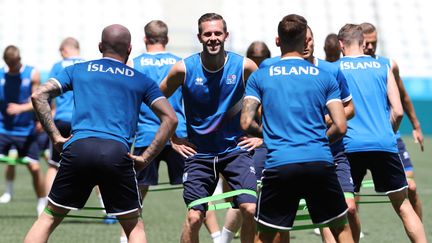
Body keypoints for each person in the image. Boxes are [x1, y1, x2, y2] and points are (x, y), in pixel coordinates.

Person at [23, 24, 178, 243]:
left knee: (48, 218)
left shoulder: (78, 69)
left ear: (100, 46)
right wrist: (145, 157)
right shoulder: (140, 80)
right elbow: (171, 118)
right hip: (117, 153)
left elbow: (39, 95)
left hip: (79, 148)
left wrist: (56, 137)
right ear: (130, 48)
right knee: (134, 227)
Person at [241, 14, 353, 243]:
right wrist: (320, 140)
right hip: (319, 161)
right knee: (340, 229)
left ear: (277, 41)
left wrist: (271, 138)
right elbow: (341, 125)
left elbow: (245, 123)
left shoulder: (260, 76)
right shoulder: (325, 76)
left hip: (280, 163)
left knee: (265, 235)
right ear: (305, 41)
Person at [159, 13, 259, 243]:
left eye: (217, 33)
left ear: (226, 35)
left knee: (250, 209)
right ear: (199, 37)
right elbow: (156, 99)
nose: (213, 38)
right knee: (194, 218)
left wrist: (261, 137)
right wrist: (173, 137)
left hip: (236, 151)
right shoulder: (183, 69)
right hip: (199, 153)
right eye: (208, 34)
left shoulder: (244, 66)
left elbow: (272, 100)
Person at [336, 23, 427, 242]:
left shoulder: (333, 68)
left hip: (350, 146)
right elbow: (398, 112)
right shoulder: (383, 66)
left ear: (341, 44)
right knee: (403, 205)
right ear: (362, 42)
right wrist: (386, 132)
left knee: (345, 208)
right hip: (385, 143)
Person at [360, 22, 425, 220]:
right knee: (350, 191)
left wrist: (416, 126)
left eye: (374, 43)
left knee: (411, 187)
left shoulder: (387, 65)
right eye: (367, 43)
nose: (371, 47)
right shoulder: (347, 67)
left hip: (391, 137)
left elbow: (403, 96)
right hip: (360, 138)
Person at [302, 26, 360, 243]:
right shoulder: (286, 72)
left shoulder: (331, 70)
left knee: (350, 208)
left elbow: (350, 108)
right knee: (324, 213)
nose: (306, 44)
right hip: (306, 154)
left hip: (335, 152)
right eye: (303, 40)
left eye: (310, 39)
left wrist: (327, 119)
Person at [0, 45, 46, 215]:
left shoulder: (32, 73)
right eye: (10, 64)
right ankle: (8, 192)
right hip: (3, 129)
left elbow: (38, 100)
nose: (14, 66)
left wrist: (22, 109)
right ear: (6, 62)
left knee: (34, 168)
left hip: (25, 131)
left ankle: (42, 202)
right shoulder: (1, 75)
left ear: (19, 59)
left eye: (16, 62)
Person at [45, 37, 85, 194]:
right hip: (82, 121)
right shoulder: (88, 65)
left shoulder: (58, 66)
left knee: (54, 165)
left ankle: (45, 205)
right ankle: (105, 208)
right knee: (94, 163)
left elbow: (47, 93)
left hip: (61, 120)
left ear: (64, 50)